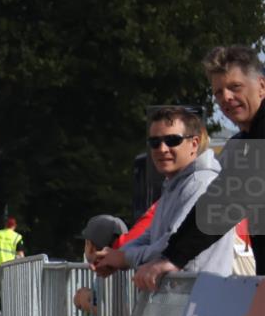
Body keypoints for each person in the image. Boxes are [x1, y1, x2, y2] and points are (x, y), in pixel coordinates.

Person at [135, 45, 265, 290]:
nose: (226, 97)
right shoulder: (246, 143)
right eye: (218, 92)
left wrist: (173, 258)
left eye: (235, 87)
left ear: (261, 86)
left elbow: (228, 199)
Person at [93, 106, 234, 278]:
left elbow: (174, 243)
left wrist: (124, 258)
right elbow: (149, 236)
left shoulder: (201, 183)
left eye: (172, 140)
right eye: (154, 142)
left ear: (194, 144)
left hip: (197, 292)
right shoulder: (174, 184)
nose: (162, 148)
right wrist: (115, 257)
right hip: (180, 291)